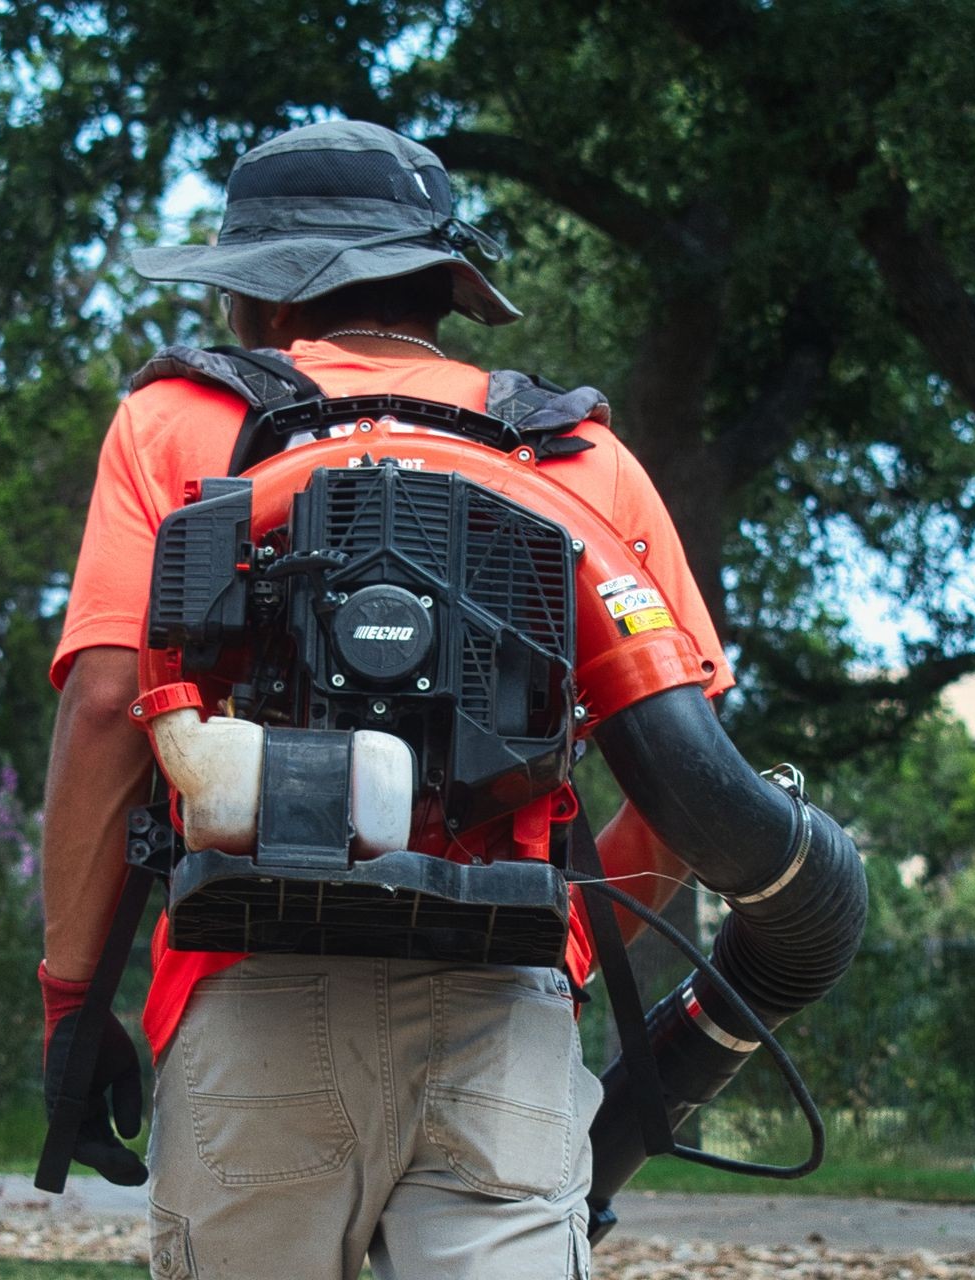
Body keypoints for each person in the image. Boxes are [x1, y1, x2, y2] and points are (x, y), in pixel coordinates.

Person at [38, 120, 737, 1280]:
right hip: (500, 1009)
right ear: (442, 287)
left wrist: (73, 995)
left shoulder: (174, 425)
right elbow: (690, 782)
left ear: (261, 299)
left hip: (249, 992)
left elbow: (113, 707)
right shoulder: (580, 460)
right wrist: (561, 941)